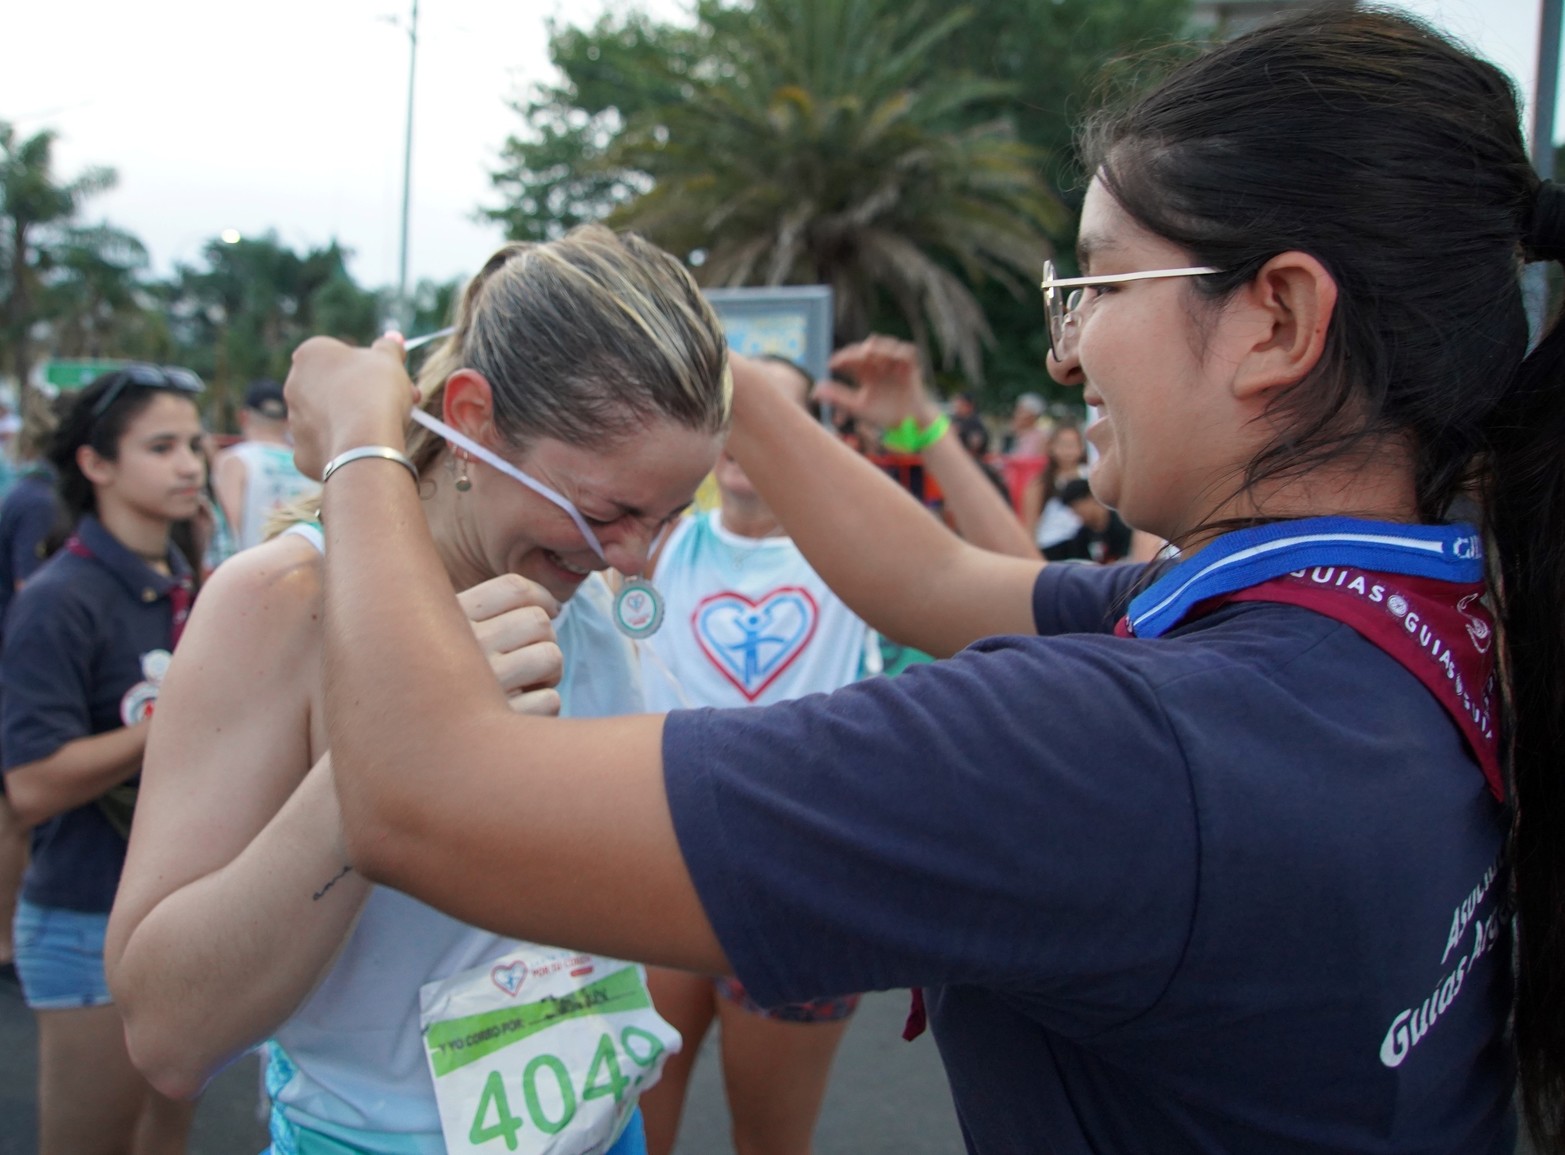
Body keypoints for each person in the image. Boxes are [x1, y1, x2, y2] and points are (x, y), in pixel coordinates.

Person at [282, 10, 1555, 1152]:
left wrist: (360, 438)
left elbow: (425, 795)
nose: (1066, 352)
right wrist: (699, 367)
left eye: (1095, 284)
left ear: (1277, 319)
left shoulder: (1126, 751)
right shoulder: (1414, 616)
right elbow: (934, 580)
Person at [104, 226, 731, 1155]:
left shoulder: (584, 592)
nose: (633, 560)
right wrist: (399, 738)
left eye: (671, 514)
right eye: (606, 511)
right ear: (472, 419)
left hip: (604, 1130)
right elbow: (166, 1031)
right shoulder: (285, 601)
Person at [636, 355, 875, 1155]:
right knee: (625, 1128)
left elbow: (1000, 576)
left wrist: (921, 431)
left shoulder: (862, 560)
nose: (745, 428)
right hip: (650, 875)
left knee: (771, 1142)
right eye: (732, 406)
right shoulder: (651, 546)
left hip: (796, 887)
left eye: (773, 407)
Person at [2, 365, 205, 1155]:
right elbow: (32, 785)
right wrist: (181, 716)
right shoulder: (59, 599)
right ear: (95, 464)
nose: (189, 463)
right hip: (86, 916)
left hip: (180, 914)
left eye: (192, 442)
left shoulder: (181, 582)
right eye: (161, 446)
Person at [212, 378, 318, 553]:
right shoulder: (310, 464)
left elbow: (228, 530)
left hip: (253, 571)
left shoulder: (235, 460)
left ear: (243, 416)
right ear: (286, 420)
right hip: (307, 571)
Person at [1030, 420, 1090, 555]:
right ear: (1051, 447)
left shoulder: (1091, 477)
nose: (1068, 451)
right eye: (1063, 445)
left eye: (1072, 445)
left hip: (1084, 546)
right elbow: (1030, 524)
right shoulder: (1041, 484)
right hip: (1050, 547)